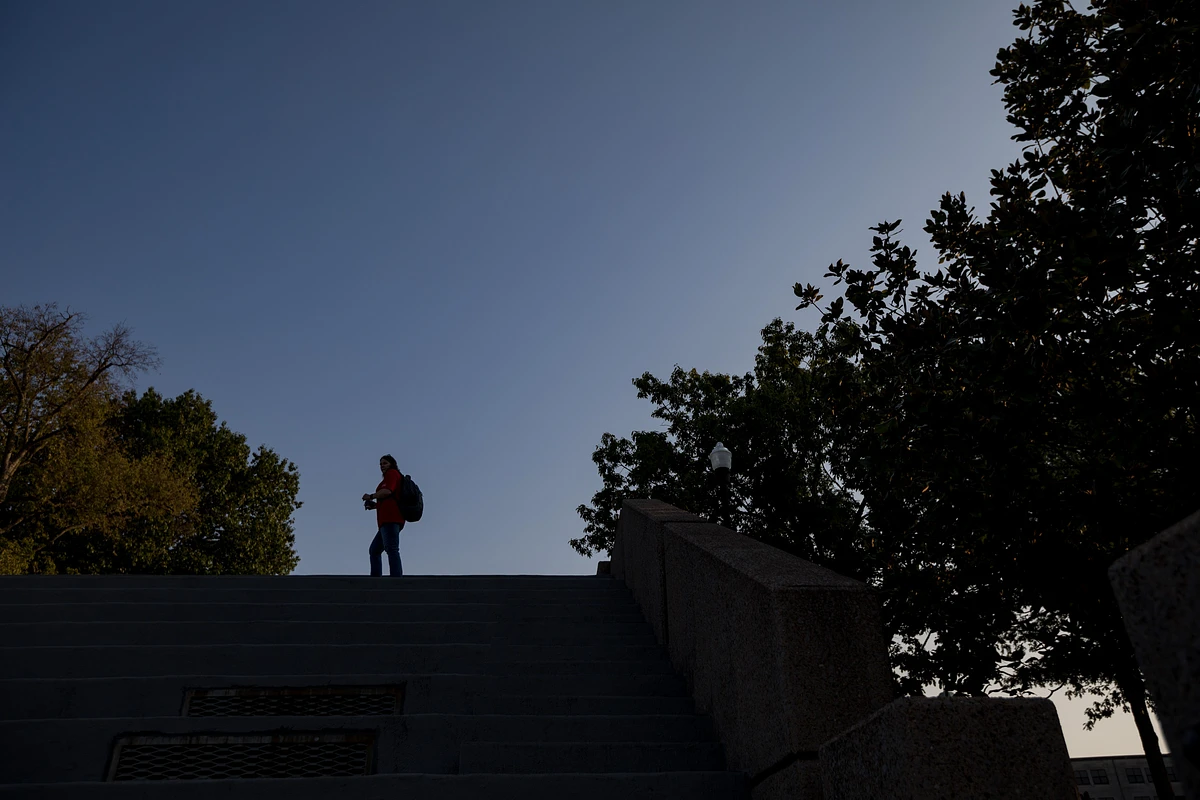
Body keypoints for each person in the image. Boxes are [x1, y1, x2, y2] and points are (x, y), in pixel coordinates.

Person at [362, 454, 404, 576]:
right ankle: (376, 579)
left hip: (391, 519)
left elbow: (387, 491)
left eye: (385, 463)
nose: (382, 466)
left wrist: (370, 496)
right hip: (386, 520)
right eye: (380, 464)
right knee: (374, 550)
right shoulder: (390, 477)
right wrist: (375, 505)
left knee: (391, 549)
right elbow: (389, 498)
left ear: (391, 464)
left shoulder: (392, 474)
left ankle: (396, 580)